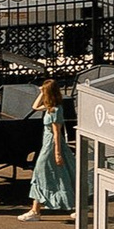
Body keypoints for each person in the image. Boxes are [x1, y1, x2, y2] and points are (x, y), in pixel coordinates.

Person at [25, 73, 75, 216]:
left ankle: (35, 211)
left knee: (40, 172)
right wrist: (41, 92)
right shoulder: (50, 107)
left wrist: (57, 153)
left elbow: (57, 133)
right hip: (47, 145)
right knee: (62, 173)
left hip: (51, 146)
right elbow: (34, 106)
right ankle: (35, 210)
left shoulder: (56, 110)